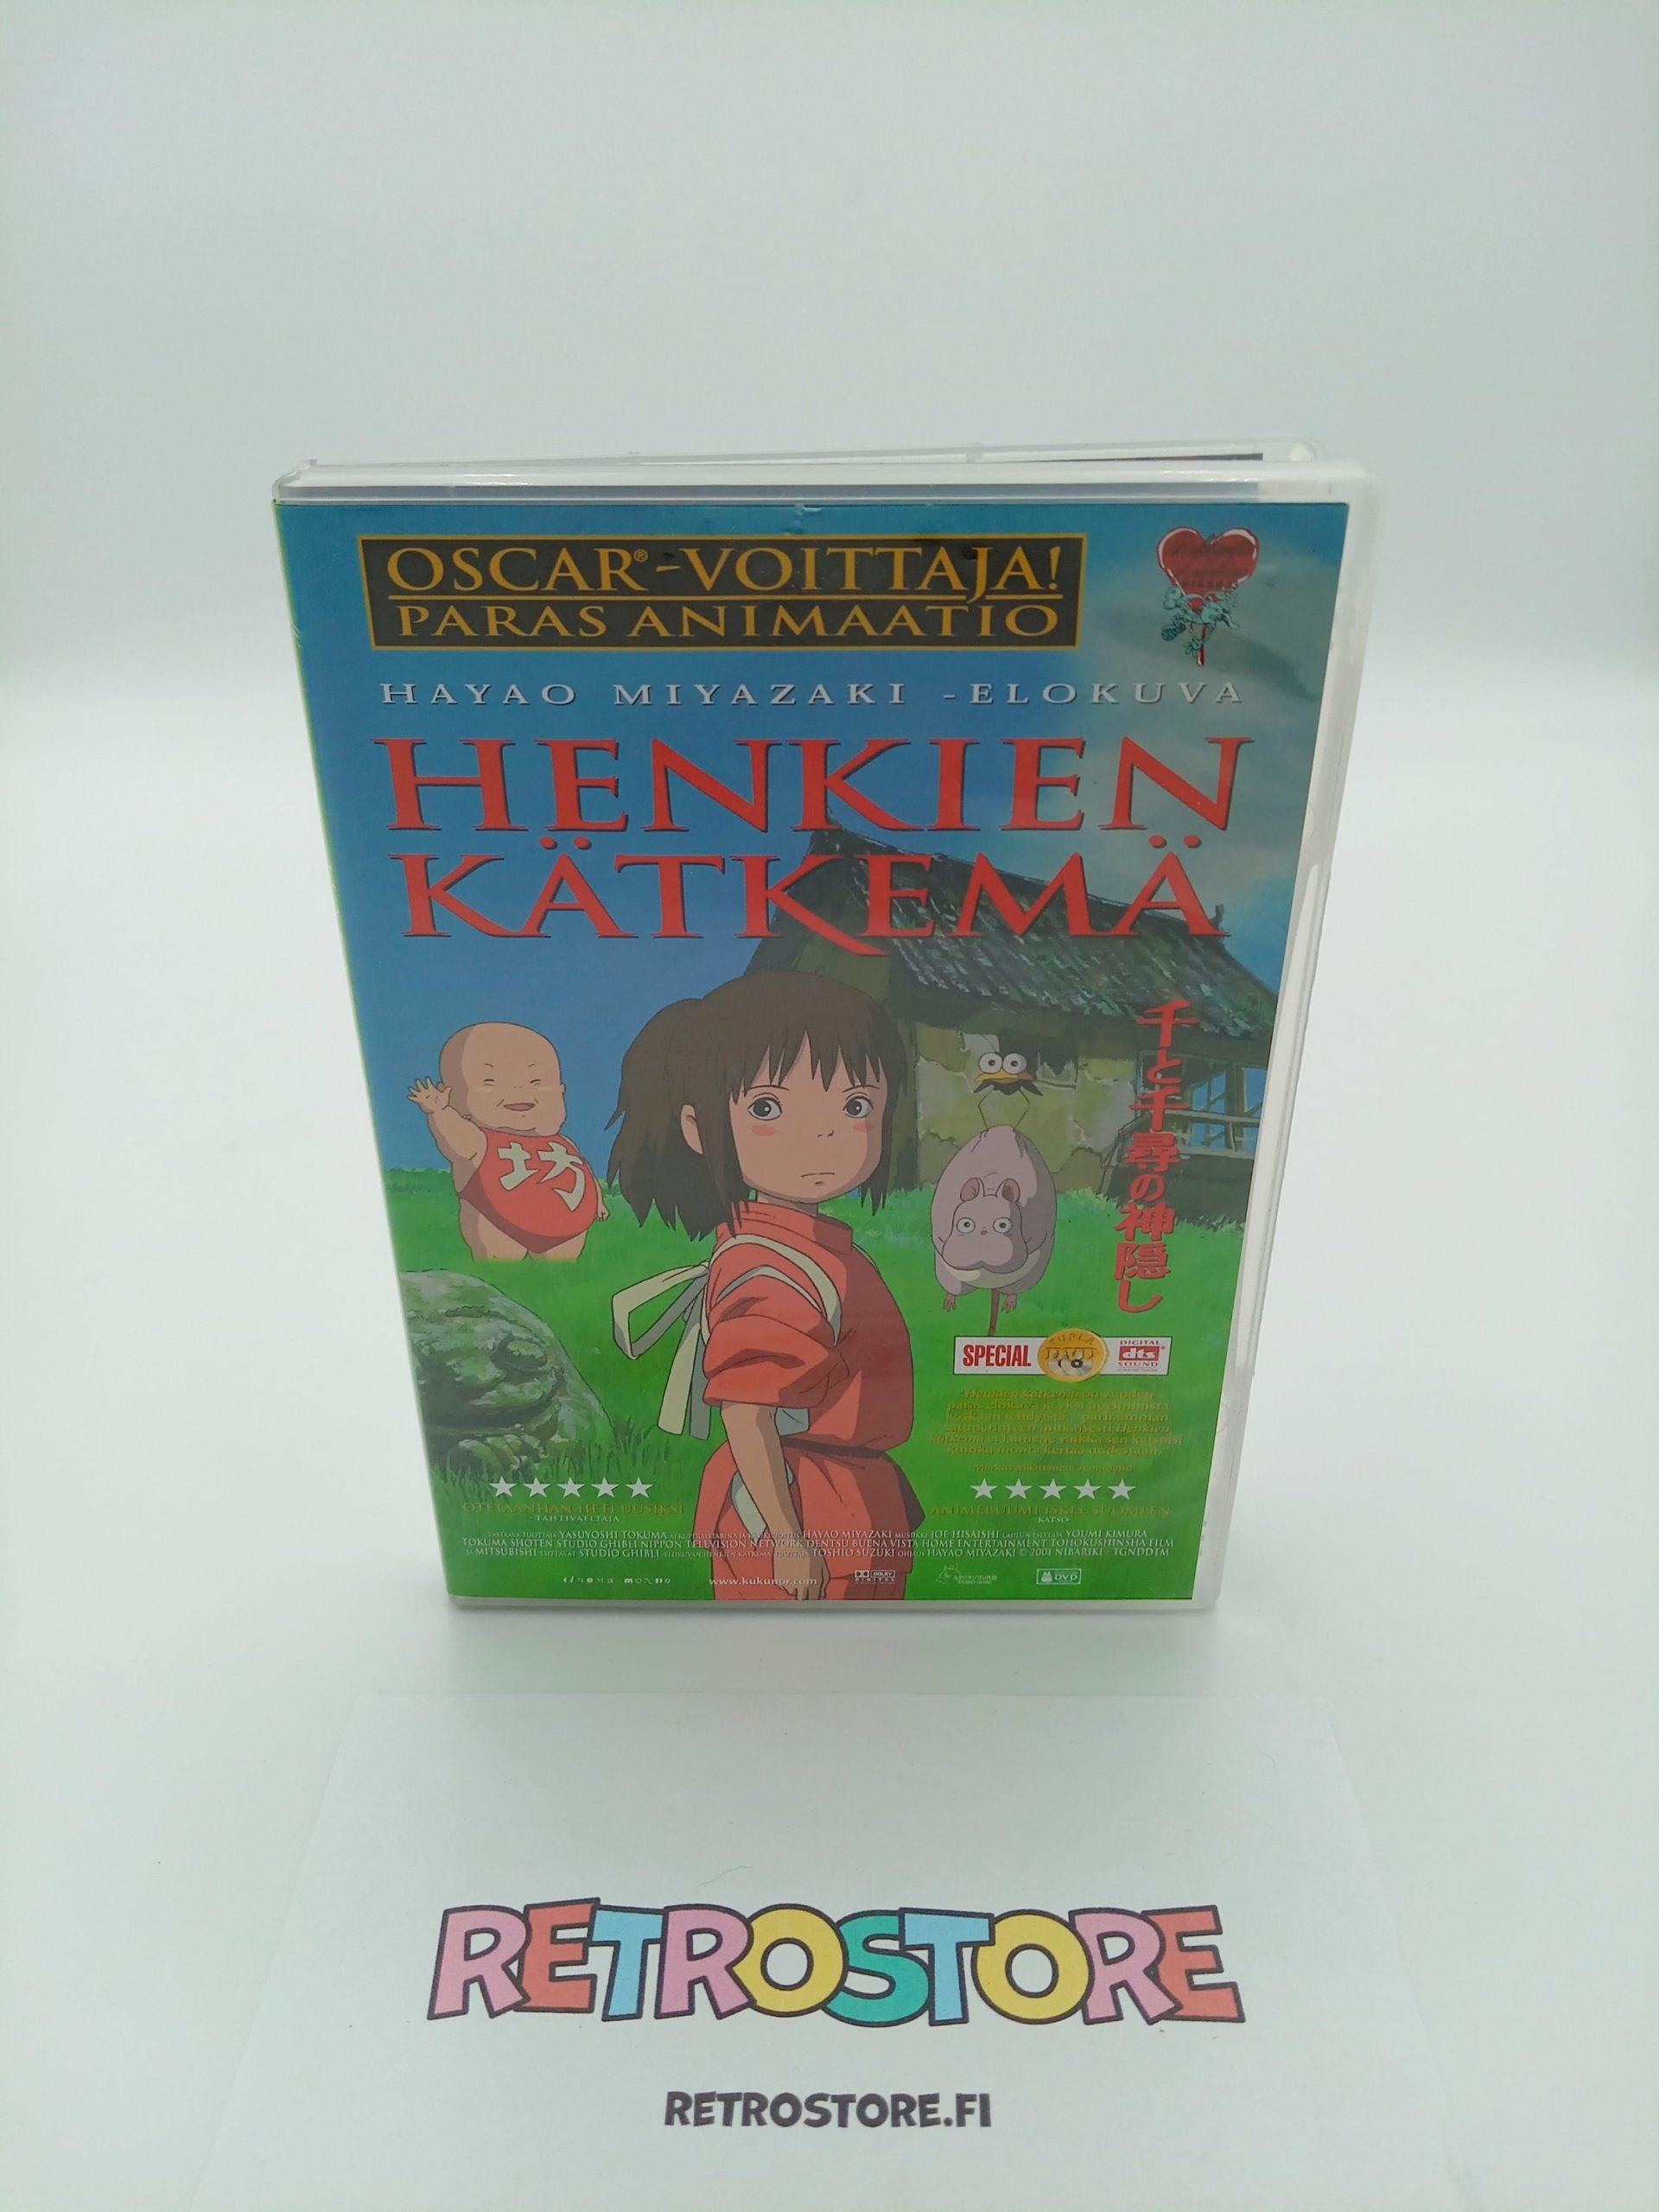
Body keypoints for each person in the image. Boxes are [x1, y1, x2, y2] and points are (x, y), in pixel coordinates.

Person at [608, 971, 919, 1602]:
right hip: (800, 1509)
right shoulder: (770, 1268)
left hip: (846, 1503)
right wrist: (788, 1539)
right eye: (768, 1109)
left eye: (855, 1105)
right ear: (699, 1128)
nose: (823, 1133)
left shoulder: (811, 1248)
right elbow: (749, 1412)